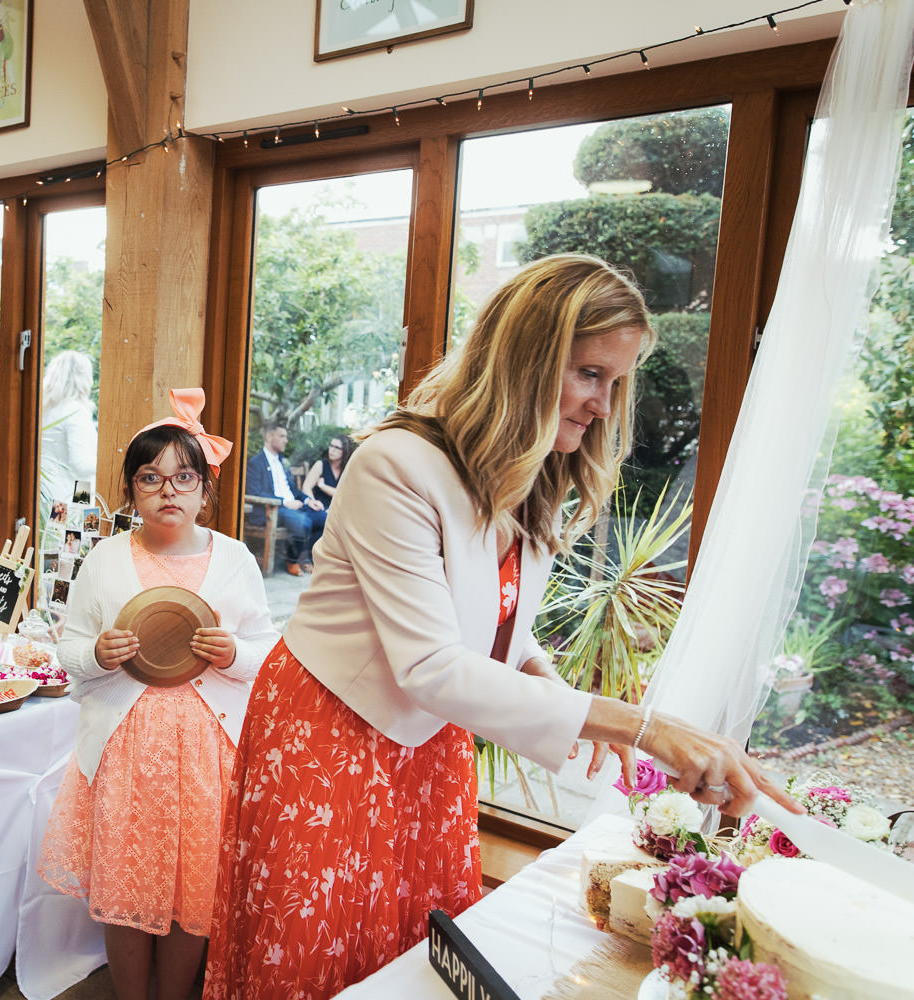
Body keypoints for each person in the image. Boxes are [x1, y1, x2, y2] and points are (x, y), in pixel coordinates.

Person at [203, 255, 802, 1000]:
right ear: (523, 359)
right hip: (330, 733)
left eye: (615, 383)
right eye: (589, 373)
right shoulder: (394, 464)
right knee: (321, 951)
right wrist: (638, 726)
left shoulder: (536, 474)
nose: (603, 405)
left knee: (408, 950)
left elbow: (493, 621)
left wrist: (540, 674)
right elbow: (431, 664)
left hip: (428, 746)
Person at [39, 389, 278, 1000]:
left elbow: (267, 652)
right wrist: (96, 654)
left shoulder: (235, 560)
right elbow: (68, 649)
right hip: (126, 750)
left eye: (184, 477)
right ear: (131, 492)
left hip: (206, 754)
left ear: (205, 490)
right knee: (124, 887)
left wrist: (237, 654)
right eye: (152, 477)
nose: (168, 491)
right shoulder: (106, 558)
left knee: (192, 887)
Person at [243, 422, 325, 576]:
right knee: (303, 522)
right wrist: (284, 502)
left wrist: (308, 500)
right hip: (273, 509)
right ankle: (292, 560)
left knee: (325, 518)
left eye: (286, 437)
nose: (286, 440)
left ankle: (306, 556)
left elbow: (293, 490)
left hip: (293, 506)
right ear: (269, 436)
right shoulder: (256, 462)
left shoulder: (282, 461)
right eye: (282, 436)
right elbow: (255, 492)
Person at [39, 349, 98, 508]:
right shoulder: (75, 411)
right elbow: (81, 465)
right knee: (72, 533)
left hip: (46, 493)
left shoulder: (45, 410)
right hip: (70, 497)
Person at [299, 433, 353, 509]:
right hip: (319, 508)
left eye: (337, 447)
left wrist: (322, 486)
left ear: (345, 451)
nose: (332, 450)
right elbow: (306, 487)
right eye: (331, 446)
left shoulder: (346, 470)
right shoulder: (320, 465)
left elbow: (344, 496)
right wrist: (314, 503)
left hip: (337, 511)